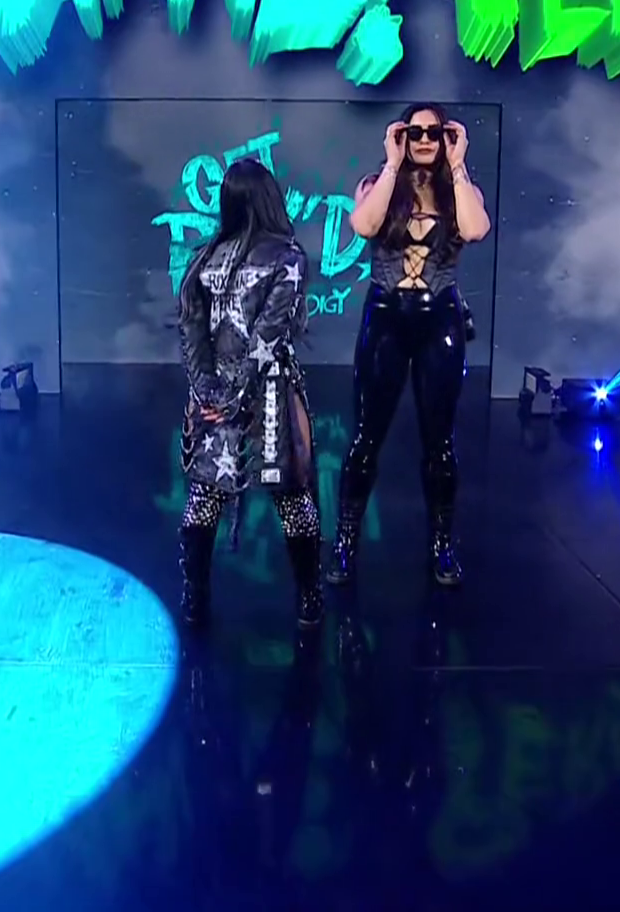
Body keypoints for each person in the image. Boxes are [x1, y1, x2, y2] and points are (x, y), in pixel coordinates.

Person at [328, 104, 491, 587]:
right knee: (366, 437)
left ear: (447, 138)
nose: (423, 140)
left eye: (433, 132)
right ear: (400, 135)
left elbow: (475, 230)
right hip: (386, 315)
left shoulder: (461, 190)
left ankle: (442, 546)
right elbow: (364, 226)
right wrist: (391, 162)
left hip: (439, 315)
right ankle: (345, 544)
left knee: (440, 442)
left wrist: (458, 164)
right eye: (414, 131)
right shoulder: (377, 184)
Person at [176, 157, 323, 629]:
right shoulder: (288, 257)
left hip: (221, 394)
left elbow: (191, 331)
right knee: (291, 498)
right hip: (267, 392)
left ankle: (196, 597)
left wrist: (207, 390)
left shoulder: (203, 256)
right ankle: (309, 596)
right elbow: (267, 335)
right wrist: (227, 394)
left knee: (205, 497)